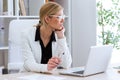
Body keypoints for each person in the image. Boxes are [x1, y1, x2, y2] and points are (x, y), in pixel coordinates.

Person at [21, 2, 72, 73]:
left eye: (63, 17)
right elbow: (29, 64)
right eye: (59, 17)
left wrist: (61, 37)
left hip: (49, 77)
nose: (63, 20)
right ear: (47, 19)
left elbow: (67, 64)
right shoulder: (27, 35)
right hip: (29, 76)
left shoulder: (59, 36)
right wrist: (47, 67)